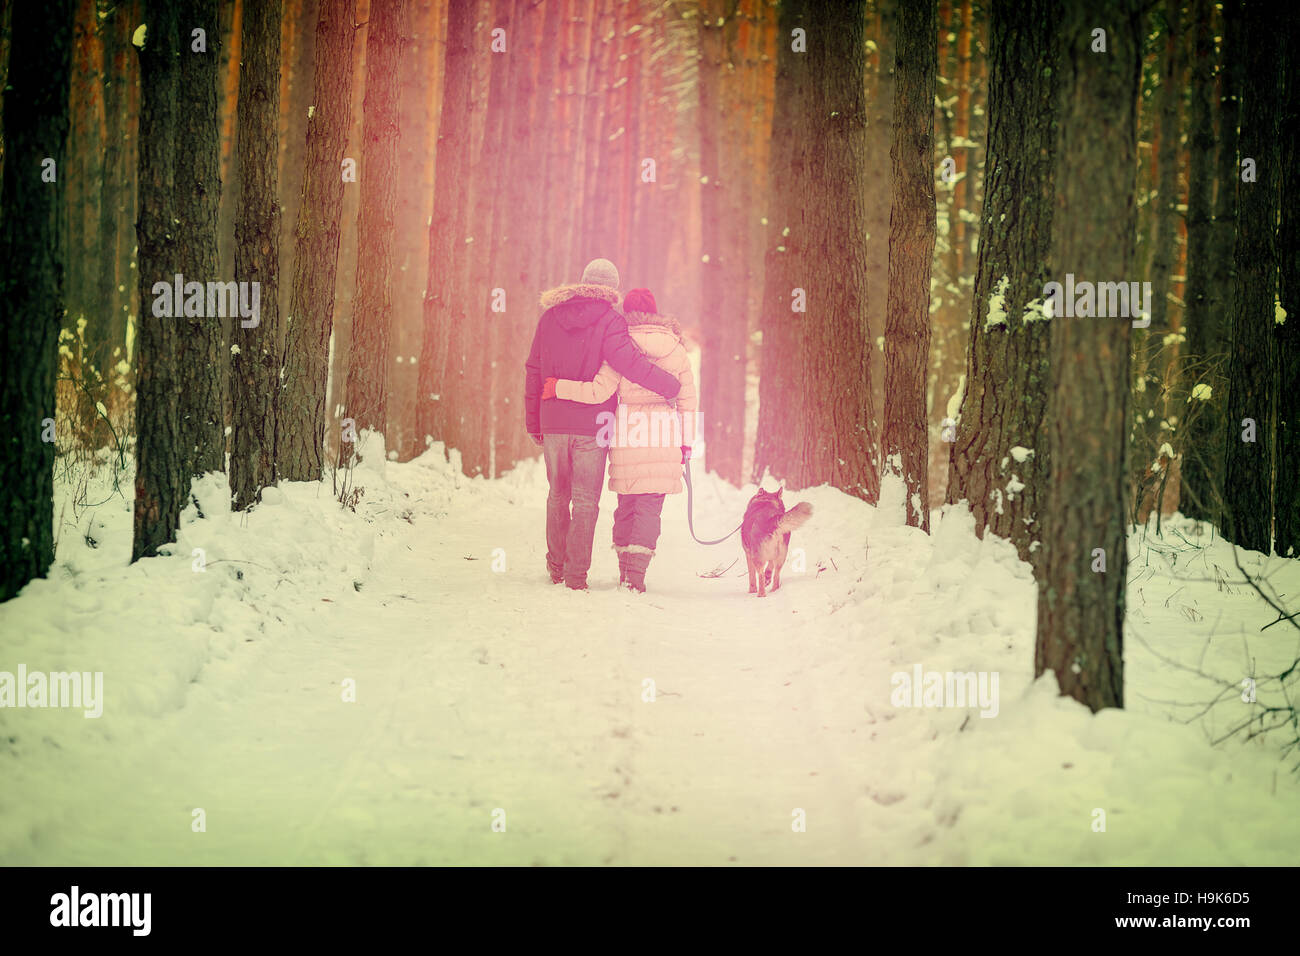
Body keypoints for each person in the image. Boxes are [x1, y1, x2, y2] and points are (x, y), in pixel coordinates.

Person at [524, 260, 681, 591]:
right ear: (612, 288)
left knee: (557, 494)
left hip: (553, 420)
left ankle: (555, 565)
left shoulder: (550, 317)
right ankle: (575, 575)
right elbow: (629, 363)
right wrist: (669, 385)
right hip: (594, 424)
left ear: (582, 282)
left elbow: (533, 369)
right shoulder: (611, 320)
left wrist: (534, 421)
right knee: (585, 500)